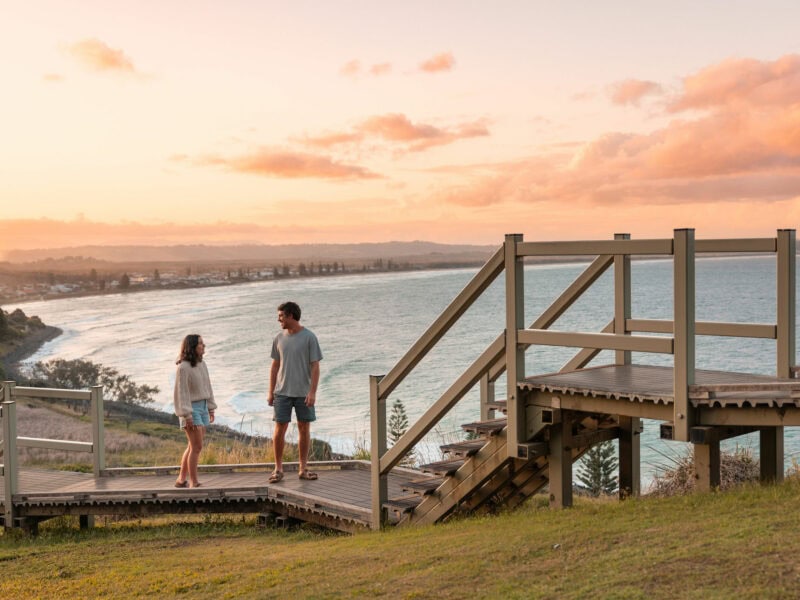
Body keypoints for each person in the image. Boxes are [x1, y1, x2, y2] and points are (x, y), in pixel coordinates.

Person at [268, 301, 322, 483]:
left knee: (304, 428)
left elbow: (315, 366)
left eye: (281, 316)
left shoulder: (309, 337)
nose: (279, 320)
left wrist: (312, 392)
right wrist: (270, 391)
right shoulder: (278, 338)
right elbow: (274, 366)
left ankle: (303, 468)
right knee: (279, 428)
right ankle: (278, 469)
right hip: (281, 392)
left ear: (291, 316)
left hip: (303, 393)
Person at [173, 334, 216, 488]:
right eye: (200, 344)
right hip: (191, 409)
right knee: (197, 447)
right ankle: (194, 482)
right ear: (192, 347)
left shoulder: (202, 364)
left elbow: (207, 386)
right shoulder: (183, 367)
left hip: (203, 407)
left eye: (203, 343)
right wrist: (186, 415)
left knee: (192, 446)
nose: (203, 346)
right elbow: (181, 392)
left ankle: (181, 479)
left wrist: (210, 407)